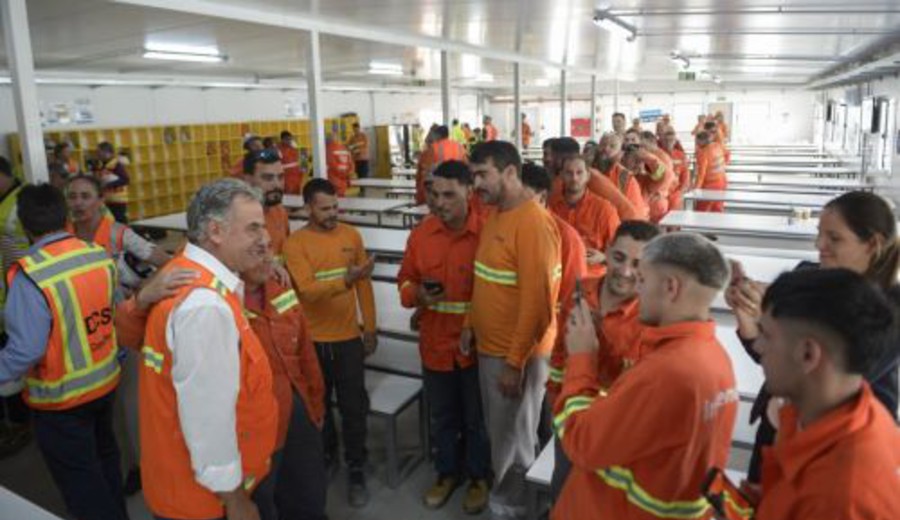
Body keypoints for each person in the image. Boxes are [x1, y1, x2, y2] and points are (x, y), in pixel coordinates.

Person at [553, 232, 737, 520]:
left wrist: (582, 357)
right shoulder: (716, 358)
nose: (636, 289)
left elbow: (582, 441)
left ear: (670, 287)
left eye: (643, 280)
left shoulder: (665, 372)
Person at [725, 190, 900, 485]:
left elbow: (831, 375)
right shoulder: (807, 277)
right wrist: (749, 317)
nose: (820, 246)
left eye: (834, 238)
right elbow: (774, 359)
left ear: (872, 244)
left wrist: (789, 318)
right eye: (819, 234)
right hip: (779, 429)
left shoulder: (888, 313)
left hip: (834, 451)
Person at [139, 179, 277, 520]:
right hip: (204, 502)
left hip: (183, 486)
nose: (266, 238)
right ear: (216, 231)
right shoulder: (205, 306)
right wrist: (235, 500)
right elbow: (208, 419)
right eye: (253, 228)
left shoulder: (186, 273)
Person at [0, 184, 127, 520]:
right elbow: (110, 312)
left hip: (61, 400)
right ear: (64, 214)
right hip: (105, 383)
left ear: (26, 226)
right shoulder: (96, 254)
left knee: (82, 483)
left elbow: (25, 350)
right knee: (106, 461)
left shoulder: (31, 275)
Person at [752, 269, 900, 519]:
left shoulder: (838, 498)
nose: (757, 346)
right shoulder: (861, 413)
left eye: (766, 335)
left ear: (808, 354)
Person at [467, 141, 560, 519]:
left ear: (509, 172)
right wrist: (470, 323)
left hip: (515, 355)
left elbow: (537, 305)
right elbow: (488, 278)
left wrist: (513, 362)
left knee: (512, 441)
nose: (476, 184)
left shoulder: (533, 224)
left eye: (482, 174)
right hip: (493, 348)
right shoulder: (498, 214)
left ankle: (511, 510)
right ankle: (514, 503)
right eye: (473, 175)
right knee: (505, 436)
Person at [398, 160, 491, 514]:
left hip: (477, 347)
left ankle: (479, 476)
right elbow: (405, 280)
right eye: (433, 194)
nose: (439, 202)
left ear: (470, 191)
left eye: (449, 194)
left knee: (476, 417)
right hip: (435, 344)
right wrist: (416, 295)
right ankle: (447, 472)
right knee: (443, 416)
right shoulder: (421, 235)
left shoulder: (488, 233)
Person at [547, 220, 660, 500]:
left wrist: (600, 342)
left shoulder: (654, 319)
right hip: (570, 418)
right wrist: (554, 400)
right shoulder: (579, 291)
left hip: (616, 434)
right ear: (606, 252)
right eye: (619, 257)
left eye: (638, 264)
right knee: (562, 490)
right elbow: (560, 353)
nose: (625, 271)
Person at [283, 178, 377, 508]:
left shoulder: (352, 236)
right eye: (325, 209)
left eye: (336, 207)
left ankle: (356, 468)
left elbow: (363, 285)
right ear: (308, 208)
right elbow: (307, 291)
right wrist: (346, 280)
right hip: (312, 343)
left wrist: (371, 326)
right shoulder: (295, 245)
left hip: (349, 339)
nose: (333, 213)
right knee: (317, 407)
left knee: (354, 409)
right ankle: (327, 455)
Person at [242, 251, 328, 520]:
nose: (267, 257)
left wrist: (315, 406)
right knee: (263, 497)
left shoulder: (280, 289)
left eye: (267, 248)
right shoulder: (217, 302)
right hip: (253, 424)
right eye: (255, 249)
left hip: (296, 406)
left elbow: (306, 355)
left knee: (308, 489)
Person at [519, 162, 588, 448]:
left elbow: (574, 299)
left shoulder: (566, 238)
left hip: (546, 340)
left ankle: (534, 464)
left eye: (522, 199)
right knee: (520, 413)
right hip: (510, 336)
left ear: (542, 198)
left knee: (536, 409)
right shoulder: (504, 228)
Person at [65, 175, 170, 297]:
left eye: (85, 196)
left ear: (101, 200)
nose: (78, 203)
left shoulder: (119, 233)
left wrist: (143, 288)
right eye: (72, 197)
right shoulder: (62, 234)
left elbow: (167, 262)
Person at [548, 155, 620, 297]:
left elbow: (620, 251)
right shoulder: (549, 206)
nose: (574, 178)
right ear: (561, 175)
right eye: (569, 173)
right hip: (556, 280)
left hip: (593, 282)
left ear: (588, 176)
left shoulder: (604, 209)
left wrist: (604, 257)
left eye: (579, 173)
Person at [0, 156, 31, 458]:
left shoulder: (17, 205)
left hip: (16, 293)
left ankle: (21, 422)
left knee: (16, 355)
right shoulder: (7, 203)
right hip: (8, 294)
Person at [243, 149, 290, 260]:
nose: (277, 185)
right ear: (248, 180)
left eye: (280, 177)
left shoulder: (279, 211)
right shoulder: (237, 218)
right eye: (268, 178)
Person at [592, 133, 648, 220]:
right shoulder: (585, 172)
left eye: (612, 146)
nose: (606, 149)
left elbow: (635, 214)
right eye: (603, 144)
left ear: (620, 154)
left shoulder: (626, 178)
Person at [417, 125, 468, 205]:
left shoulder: (432, 149)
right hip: (458, 190)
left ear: (437, 135)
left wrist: (420, 199)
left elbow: (423, 175)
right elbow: (467, 168)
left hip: (438, 193)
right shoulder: (460, 147)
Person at [634, 131, 675, 222]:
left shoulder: (661, 157)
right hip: (652, 200)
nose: (641, 148)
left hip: (656, 201)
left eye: (643, 145)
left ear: (651, 142)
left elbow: (666, 177)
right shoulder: (656, 155)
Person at [92, 142, 130, 223]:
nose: (97, 154)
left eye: (99, 152)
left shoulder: (116, 164)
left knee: (119, 222)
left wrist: (108, 185)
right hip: (107, 200)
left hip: (118, 200)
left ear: (107, 152)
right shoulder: (101, 165)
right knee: (109, 223)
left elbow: (126, 179)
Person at [693, 130, 728, 212]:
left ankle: (700, 224)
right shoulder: (717, 145)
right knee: (717, 208)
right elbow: (726, 155)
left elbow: (701, 174)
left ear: (703, 140)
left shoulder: (703, 153)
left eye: (697, 141)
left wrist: (696, 189)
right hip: (722, 182)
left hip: (710, 186)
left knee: (701, 210)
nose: (697, 144)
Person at [659, 126, 690, 211]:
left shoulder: (681, 155)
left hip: (676, 193)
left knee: (675, 218)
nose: (669, 143)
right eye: (666, 140)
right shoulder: (658, 154)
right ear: (662, 141)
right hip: (661, 193)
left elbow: (685, 175)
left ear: (675, 141)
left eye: (671, 140)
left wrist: (681, 191)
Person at [277, 131, 304, 195]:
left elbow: (303, 159)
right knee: (288, 193)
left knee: (297, 192)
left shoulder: (295, 146)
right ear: (282, 140)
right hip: (286, 176)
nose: (289, 141)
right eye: (287, 139)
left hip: (297, 175)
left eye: (290, 139)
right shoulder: (278, 149)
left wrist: (302, 172)